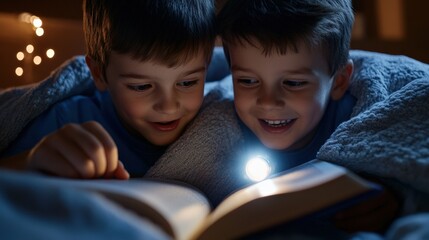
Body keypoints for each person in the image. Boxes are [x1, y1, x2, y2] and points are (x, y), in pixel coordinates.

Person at [215, 0, 399, 235]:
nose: (268, 101)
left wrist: (393, 198)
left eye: (293, 83)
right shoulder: (222, 128)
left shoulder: (358, 124)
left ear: (339, 81)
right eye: (247, 81)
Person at [0, 0, 216, 179]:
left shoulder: (217, 121)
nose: (168, 106)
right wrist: (31, 161)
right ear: (98, 74)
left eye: (188, 83)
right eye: (141, 86)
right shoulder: (66, 124)